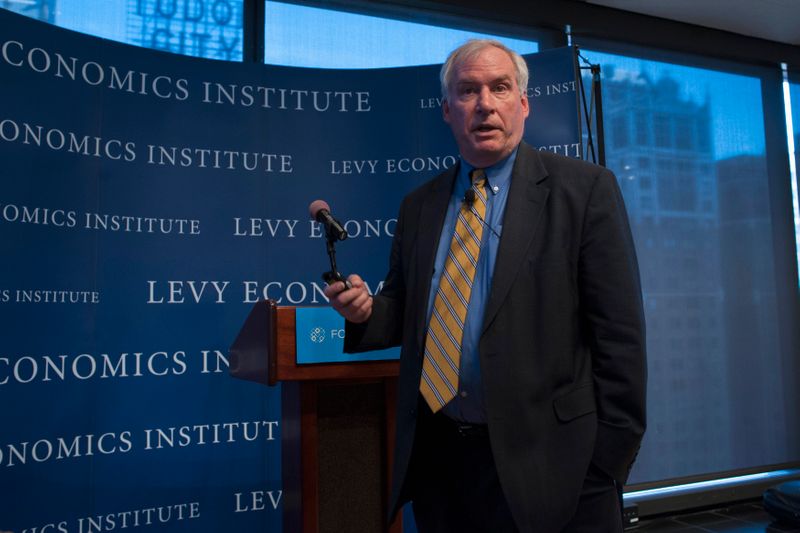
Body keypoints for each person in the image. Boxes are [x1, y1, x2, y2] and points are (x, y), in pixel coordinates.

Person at [323, 39, 646, 533]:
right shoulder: (420, 205)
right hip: (443, 465)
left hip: (553, 466)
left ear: (523, 103)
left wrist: (605, 466)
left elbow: (619, 339)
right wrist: (366, 313)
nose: (485, 104)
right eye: (468, 91)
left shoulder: (584, 191)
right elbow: (406, 309)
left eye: (500, 87)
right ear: (448, 110)